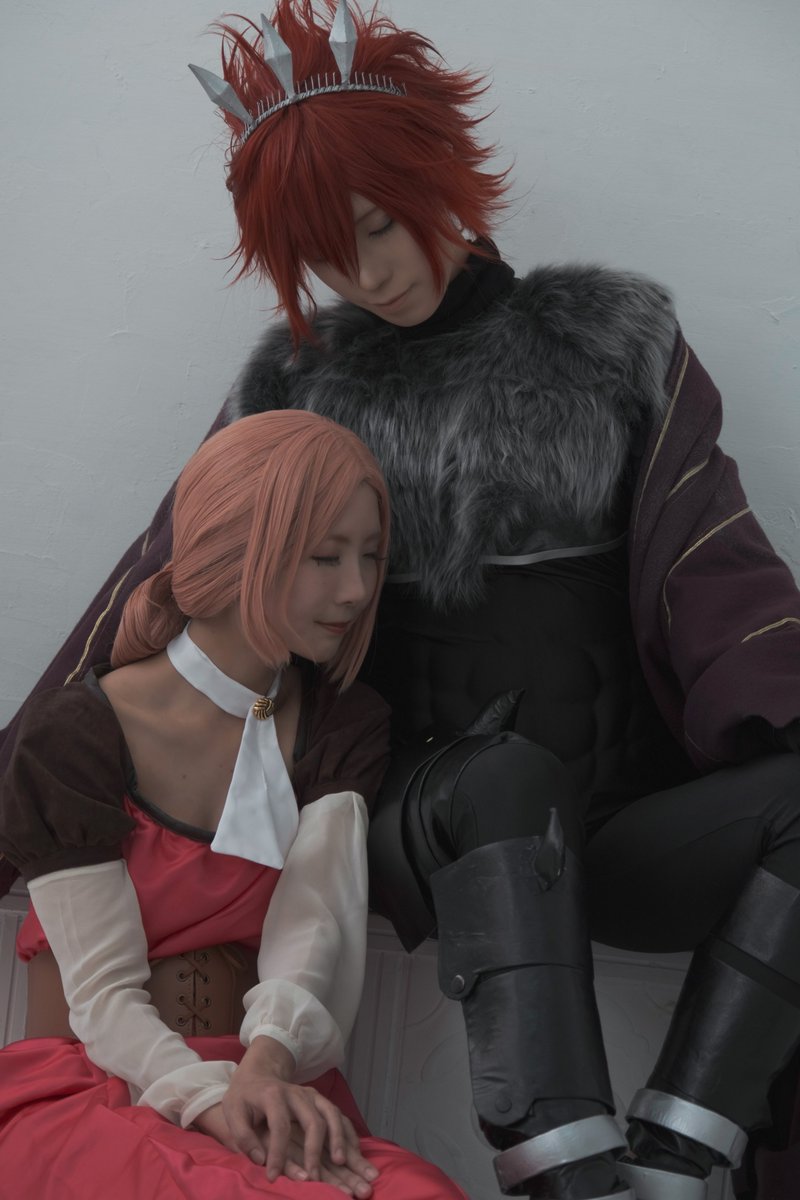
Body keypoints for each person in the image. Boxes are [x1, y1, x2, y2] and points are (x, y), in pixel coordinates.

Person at [1, 2, 800, 1198]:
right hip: (407, 823)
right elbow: (176, 569)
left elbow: (714, 562)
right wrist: (30, 768)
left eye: (377, 226)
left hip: (609, 827)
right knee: (501, 775)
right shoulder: (294, 386)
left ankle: (678, 1155)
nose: (366, 273)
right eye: (327, 257)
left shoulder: (616, 345)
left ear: (436, 176)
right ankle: (567, 1171)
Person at [0, 408, 470, 1200]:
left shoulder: (342, 727)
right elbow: (102, 995)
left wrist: (266, 1067)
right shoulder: (76, 733)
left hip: (271, 1086)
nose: (357, 589)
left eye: (371, 556)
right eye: (325, 557)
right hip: (97, 1087)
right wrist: (213, 1098)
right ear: (234, 549)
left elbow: (316, 924)